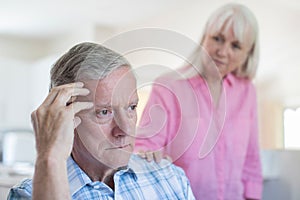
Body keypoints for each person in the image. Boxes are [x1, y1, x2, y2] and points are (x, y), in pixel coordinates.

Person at [7, 42, 195, 200]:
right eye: (103, 112)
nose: (125, 129)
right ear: (64, 118)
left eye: (131, 107)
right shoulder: (29, 195)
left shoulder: (170, 177)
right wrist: (50, 156)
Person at [135, 3, 263, 200]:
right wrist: (148, 155)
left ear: (248, 53)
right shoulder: (168, 86)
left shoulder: (247, 91)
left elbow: (251, 159)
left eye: (236, 46)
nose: (223, 51)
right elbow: (144, 146)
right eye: (217, 39)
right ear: (204, 37)